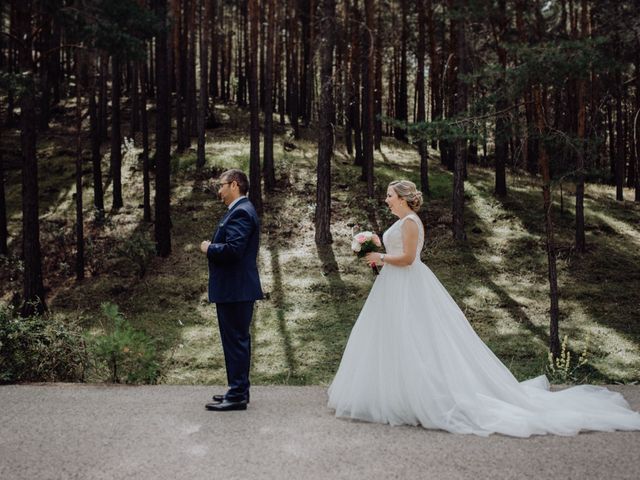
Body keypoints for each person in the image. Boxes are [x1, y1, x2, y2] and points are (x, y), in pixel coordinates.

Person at [328, 179, 640, 436]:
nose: (386, 199)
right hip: (393, 286)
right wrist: (377, 256)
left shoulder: (410, 222)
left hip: (409, 285)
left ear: (404, 199)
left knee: (418, 339)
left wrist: (381, 257)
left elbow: (409, 259)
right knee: (393, 339)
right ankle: (393, 396)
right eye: (388, 195)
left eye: (390, 195)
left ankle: (420, 398)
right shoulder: (400, 222)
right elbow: (398, 257)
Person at [200, 169, 263, 411]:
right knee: (234, 340)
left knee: (236, 341)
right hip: (234, 289)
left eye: (221, 185)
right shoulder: (239, 211)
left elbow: (234, 250)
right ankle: (237, 389)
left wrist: (209, 248)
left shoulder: (241, 212)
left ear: (234, 185)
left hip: (236, 289)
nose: (219, 191)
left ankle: (237, 394)